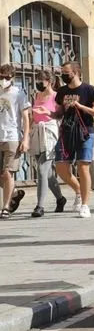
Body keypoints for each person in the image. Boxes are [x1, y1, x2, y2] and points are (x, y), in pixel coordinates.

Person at [53, 62, 94, 219]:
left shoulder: (88, 89)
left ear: (75, 72)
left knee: (83, 166)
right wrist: (50, 113)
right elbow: (60, 112)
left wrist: (81, 107)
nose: (63, 74)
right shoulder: (61, 91)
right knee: (61, 166)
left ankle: (85, 205)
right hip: (67, 131)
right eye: (62, 72)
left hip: (85, 131)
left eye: (66, 72)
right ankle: (78, 190)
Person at [27, 70, 66, 217]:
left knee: (42, 169)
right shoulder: (37, 96)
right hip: (36, 131)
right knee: (48, 173)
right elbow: (33, 115)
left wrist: (47, 112)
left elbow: (60, 115)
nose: (38, 82)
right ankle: (60, 199)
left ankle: (40, 206)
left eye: (41, 80)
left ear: (49, 81)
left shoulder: (56, 96)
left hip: (49, 131)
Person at [0, 64, 30, 218]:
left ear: (12, 78)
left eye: (6, 77)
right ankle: (15, 193)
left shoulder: (18, 93)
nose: (3, 80)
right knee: (2, 175)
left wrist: (25, 139)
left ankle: (5, 207)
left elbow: (25, 117)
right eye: (1, 77)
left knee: (7, 173)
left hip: (12, 136)